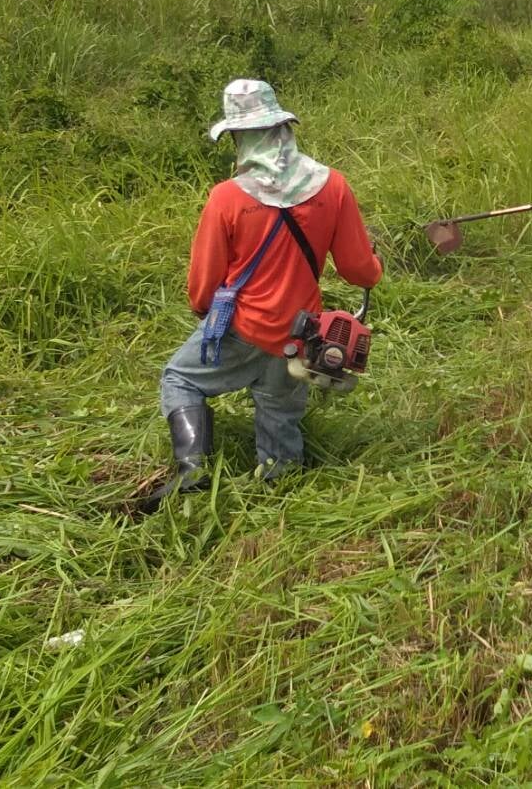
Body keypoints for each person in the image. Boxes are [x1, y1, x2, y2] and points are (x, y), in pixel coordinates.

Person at [145, 79, 382, 510]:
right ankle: (280, 490)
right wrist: (374, 266)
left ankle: (191, 468)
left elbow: (203, 285)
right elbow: (358, 270)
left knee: (179, 378)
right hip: (302, 333)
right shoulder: (333, 186)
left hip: (243, 327)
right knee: (279, 408)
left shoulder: (227, 198)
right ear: (283, 129)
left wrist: (206, 314)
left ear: (240, 139)